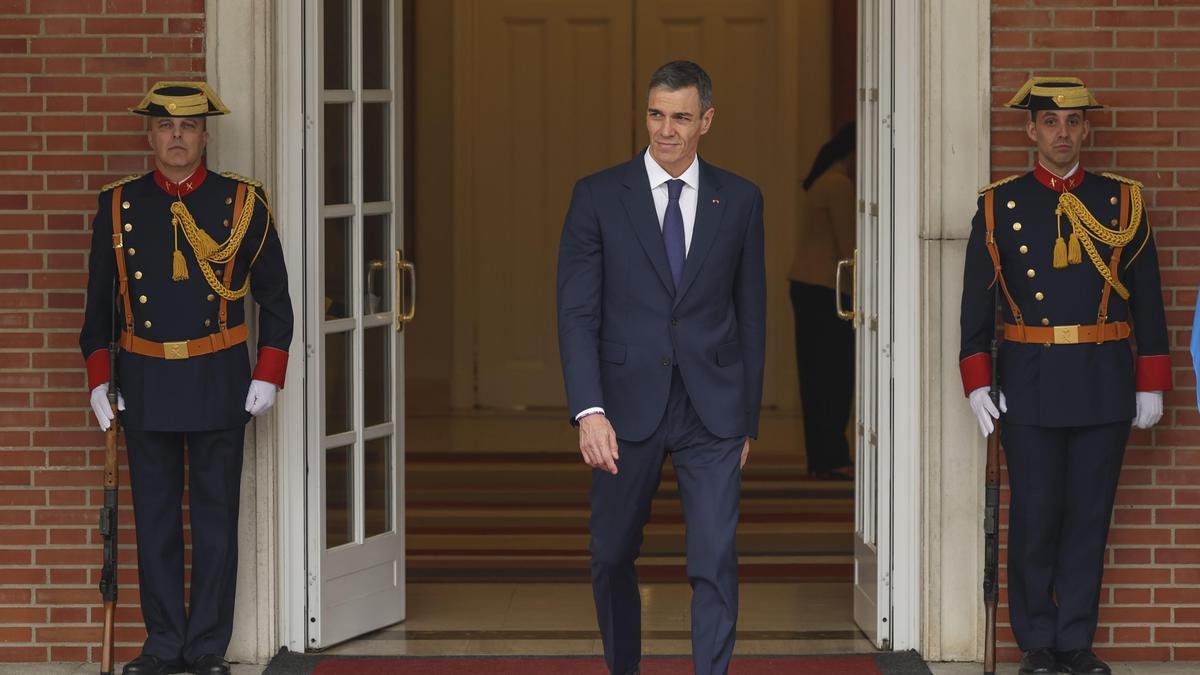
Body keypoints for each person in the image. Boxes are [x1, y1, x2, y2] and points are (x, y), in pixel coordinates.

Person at [556, 60, 765, 675]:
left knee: (713, 557)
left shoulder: (742, 198)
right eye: (655, 114)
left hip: (713, 409)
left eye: (679, 117)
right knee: (612, 554)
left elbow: (751, 316)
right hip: (623, 408)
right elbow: (576, 314)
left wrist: (746, 419)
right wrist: (588, 410)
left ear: (706, 121)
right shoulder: (597, 195)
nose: (665, 130)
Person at [78, 81, 293, 675]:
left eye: (190, 126)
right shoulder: (118, 205)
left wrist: (268, 370)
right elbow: (98, 308)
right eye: (166, 126)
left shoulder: (243, 202)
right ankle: (164, 644)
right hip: (144, 379)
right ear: (150, 134)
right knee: (155, 520)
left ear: (205, 134)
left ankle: (206, 649)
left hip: (219, 377)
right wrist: (100, 378)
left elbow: (277, 302)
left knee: (216, 519)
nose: (178, 136)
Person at [959, 76, 1169, 675]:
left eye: (1073, 123)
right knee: (1035, 516)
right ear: (1030, 130)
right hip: (1030, 380)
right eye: (1050, 122)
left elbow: (1148, 299)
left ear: (1086, 130)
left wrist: (1150, 376)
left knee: (1088, 516)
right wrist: (977, 377)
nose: (1062, 133)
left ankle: (1076, 641)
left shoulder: (1122, 202)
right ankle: (1037, 644)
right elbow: (977, 302)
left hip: (1104, 377)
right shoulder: (1000, 204)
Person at [789, 122, 856, 480]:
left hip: (807, 286)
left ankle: (823, 456)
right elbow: (849, 249)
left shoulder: (824, 182)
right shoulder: (838, 185)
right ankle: (832, 456)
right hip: (827, 290)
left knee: (815, 377)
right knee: (834, 376)